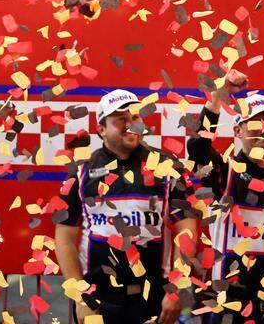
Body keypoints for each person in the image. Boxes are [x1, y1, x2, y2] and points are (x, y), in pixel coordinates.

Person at [53, 89, 197, 324]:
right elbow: (64, 239)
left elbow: (187, 229)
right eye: (121, 119)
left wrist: (176, 287)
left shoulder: (168, 166)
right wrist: (81, 299)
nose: (131, 124)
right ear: (101, 129)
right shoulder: (80, 172)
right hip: (98, 301)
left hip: (153, 299)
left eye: (136, 117)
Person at [186, 73, 264, 323]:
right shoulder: (226, 171)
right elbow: (197, 148)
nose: (263, 129)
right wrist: (219, 96)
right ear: (237, 129)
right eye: (254, 122)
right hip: (233, 303)